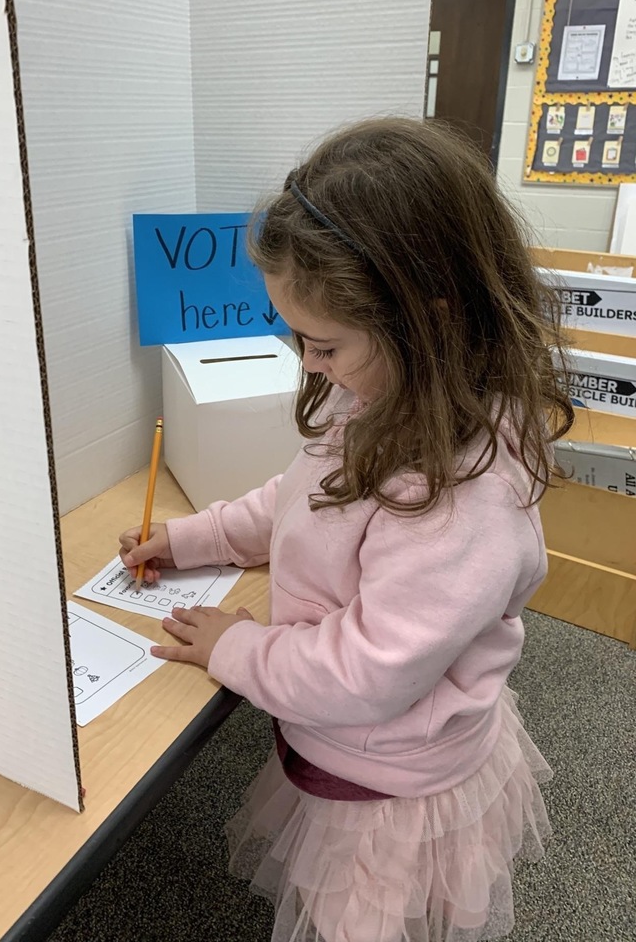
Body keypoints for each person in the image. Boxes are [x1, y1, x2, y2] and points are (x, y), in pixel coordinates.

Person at [119, 117, 574, 942]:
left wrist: (236, 648)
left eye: (322, 344)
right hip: (353, 738)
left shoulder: (458, 500)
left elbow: (368, 673)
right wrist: (193, 539)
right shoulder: (376, 389)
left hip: (390, 784)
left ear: (426, 320)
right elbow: (298, 500)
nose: (305, 363)